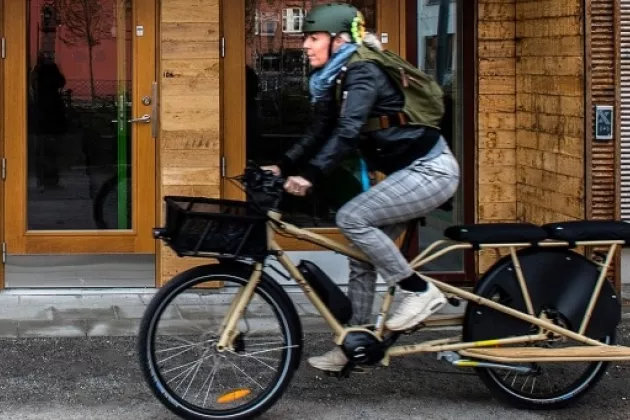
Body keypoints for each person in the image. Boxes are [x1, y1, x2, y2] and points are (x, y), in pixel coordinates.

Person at [263, 3, 460, 373]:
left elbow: (347, 131)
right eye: (305, 37)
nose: (305, 45)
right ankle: (353, 342)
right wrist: (284, 165)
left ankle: (418, 290)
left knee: (353, 217)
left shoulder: (362, 71)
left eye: (314, 37)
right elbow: (319, 131)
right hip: (409, 173)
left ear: (339, 40)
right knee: (361, 256)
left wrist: (311, 176)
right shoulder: (337, 78)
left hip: (430, 171)